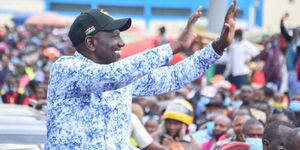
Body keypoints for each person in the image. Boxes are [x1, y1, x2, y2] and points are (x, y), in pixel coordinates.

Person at [45, 1, 240, 149]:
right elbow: (113, 76)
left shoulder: (124, 76)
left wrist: (218, 46)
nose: (122, 43)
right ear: (90, 43)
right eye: (114, 36)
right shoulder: (67, 68)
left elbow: (173, 76)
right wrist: (174, 46)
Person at [280, 12, 300, 100]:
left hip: (296, 73)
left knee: (296, 95)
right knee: (291, 94)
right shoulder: (292, 41)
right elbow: (284, 32)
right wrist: (281, 21)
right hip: (291, 73)